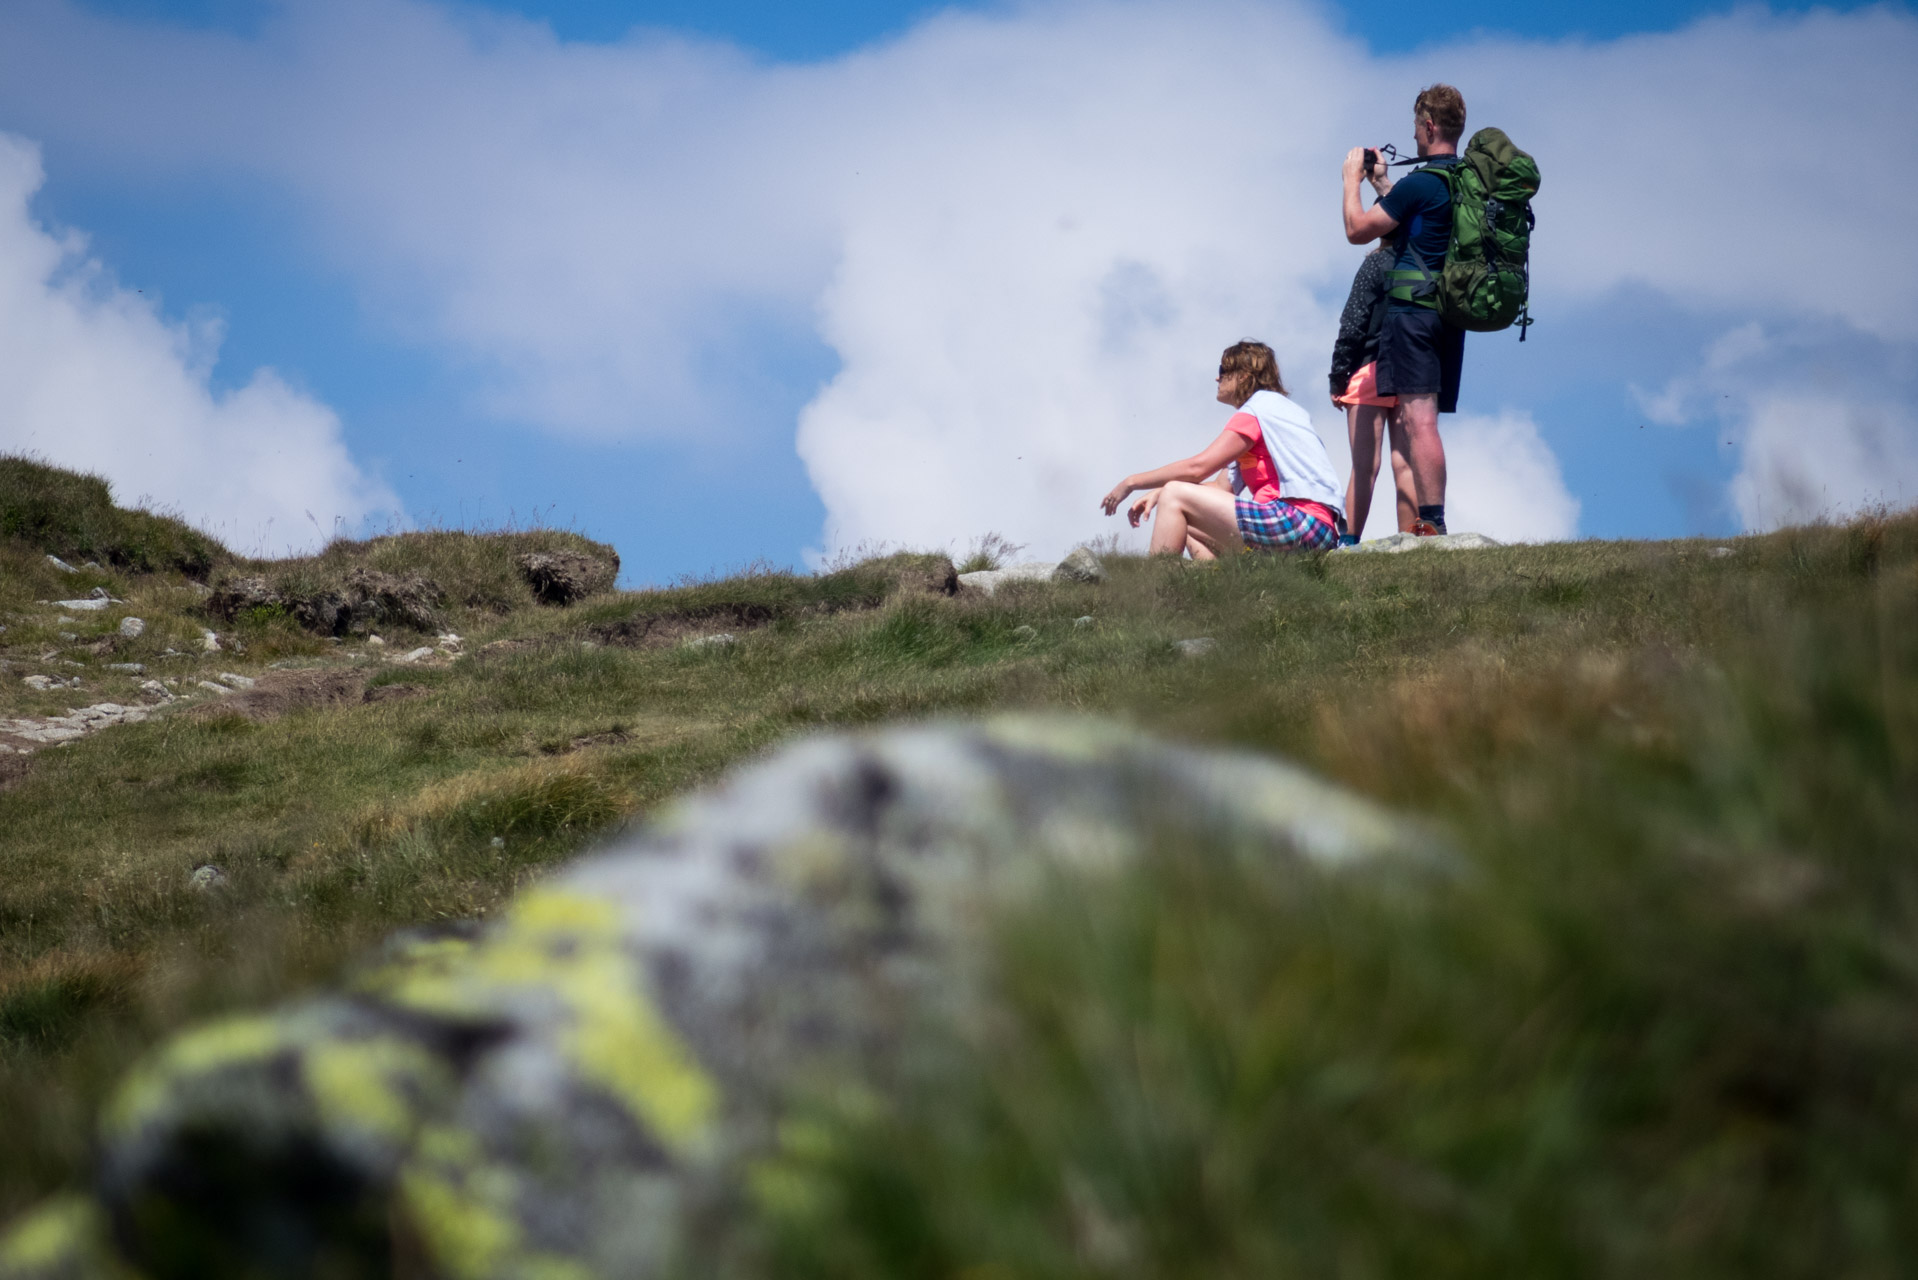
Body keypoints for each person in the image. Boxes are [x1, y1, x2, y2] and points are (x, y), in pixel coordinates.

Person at [1341, 83, 1468, 537]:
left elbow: (1358, 230)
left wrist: (1351, 180)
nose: (1413, 135)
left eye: (1416, 126)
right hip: (1449, 313)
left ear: (1429, 125)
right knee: (1424, 416)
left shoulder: (1420, 184)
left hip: (1412, 313)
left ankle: (1432, 521)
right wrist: (1383, 184)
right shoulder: (1462, 181)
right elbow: (1418, 220)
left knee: (1418, 418)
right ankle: (1429, 518)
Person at [1100, 340, 1343, 557]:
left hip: (1298, 522)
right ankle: (1217, 592)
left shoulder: (1257, 410)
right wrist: (1159, 491)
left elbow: (1198, 468)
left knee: (1175, 495)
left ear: (1244, 375)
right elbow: (1220, 488)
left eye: (1222, 371)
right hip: (1317, 529)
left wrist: (1131, 483)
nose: (1217, 379)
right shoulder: (1275, 411)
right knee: (1185, 516)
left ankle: (1155, 593)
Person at [1329, 240, 1418, 543]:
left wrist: (1338, 377)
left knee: (1365, 466)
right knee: (1405, 462)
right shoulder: (1423, 259)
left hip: (1370, 371)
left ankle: (1349, 541)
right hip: (1410, 371)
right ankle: (1411, 540)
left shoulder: (1376, 263)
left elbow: (1354, 322)